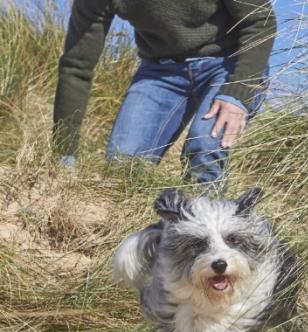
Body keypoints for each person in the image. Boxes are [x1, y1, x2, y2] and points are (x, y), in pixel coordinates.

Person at [53, 0, 276, 191]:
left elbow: (260, 21)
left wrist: (237, 92)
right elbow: (76, 66)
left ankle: (205, 231)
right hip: (161, 71)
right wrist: (64, 153)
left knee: (204, 145)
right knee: (123, 165)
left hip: (230, 62)